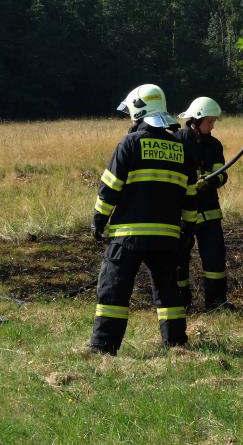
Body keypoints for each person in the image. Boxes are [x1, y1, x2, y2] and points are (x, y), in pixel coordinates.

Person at [89, 84, 197, 355]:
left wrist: (98, 220)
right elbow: (190, 194)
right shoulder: (180, 147)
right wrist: (188, 228)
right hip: (167, 236)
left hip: (129, 234)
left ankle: (103, 348)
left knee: (114, 290)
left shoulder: (131, 143)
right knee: (168, 292)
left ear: (138, 109)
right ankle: (176, 345)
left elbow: (110, 187)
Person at [174, 97, 231, 312]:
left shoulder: (214, 145)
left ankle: (216, 303)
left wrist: (211, 181)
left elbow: (222, 174)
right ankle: (181, 303)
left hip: (210, 213)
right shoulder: (177, 142)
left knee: (215, 257)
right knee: (179, 259)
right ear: (195, 121)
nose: (213, 126)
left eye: (214, 122)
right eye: (209, 122)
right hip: (182, 215)